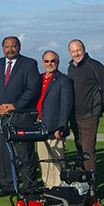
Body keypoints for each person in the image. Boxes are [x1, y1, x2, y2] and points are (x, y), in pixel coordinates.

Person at [0, 36, 41, 196]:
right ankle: (8, 186)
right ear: (2, 48)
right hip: (0, 118)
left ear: (19, 47)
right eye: (7, 47)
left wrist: (15, 106)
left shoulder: (29, 64)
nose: (10, 49)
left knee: (25, 154)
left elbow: (33, 88)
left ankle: (29, 187)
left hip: (21, 117)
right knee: (2, 154)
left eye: (13, 46)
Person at [67, 39, 104, 171]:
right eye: (73, 51)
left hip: (90, 116)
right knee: (79, 148)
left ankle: (90, 185)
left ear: (84, 50)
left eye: (78, 50)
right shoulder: (71, 68)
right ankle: (81, 181)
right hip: (75, 116)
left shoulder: (95, 66)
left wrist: (97, 109)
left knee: (88, 150)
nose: (76, 54)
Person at [36, 50, 73, 188]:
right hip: (39, 126)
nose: (49, 64)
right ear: (42, 63)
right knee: (44, 160)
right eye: (47, 61)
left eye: (53, 61)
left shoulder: (64, 80)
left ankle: (58, 188)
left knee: (56, 161)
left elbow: (66, 106)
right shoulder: (38, 79)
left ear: (58, 62)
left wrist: (61, 127)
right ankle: (48, 187)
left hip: (55, 127)